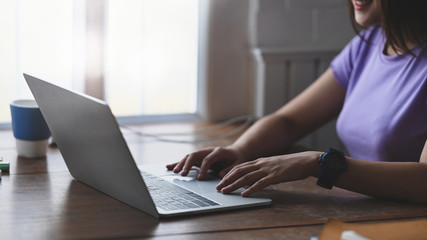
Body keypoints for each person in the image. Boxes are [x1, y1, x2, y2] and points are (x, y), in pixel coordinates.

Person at [167, 0, 427, 204]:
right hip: (360, 210)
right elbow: (289, 121)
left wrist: (317, 163)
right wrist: (239, 150)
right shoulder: (368, 43)